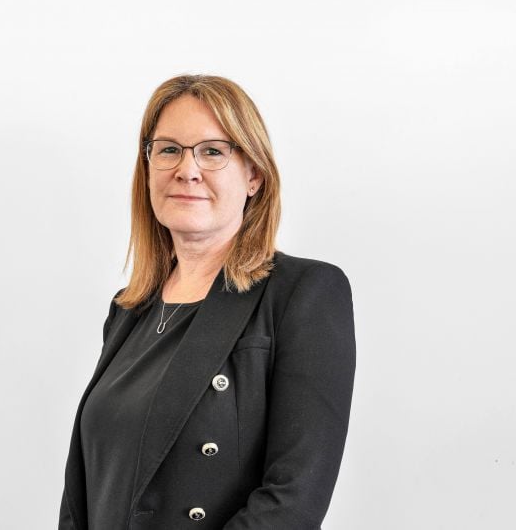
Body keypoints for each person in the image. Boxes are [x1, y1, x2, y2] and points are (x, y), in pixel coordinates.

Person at [58, 74, 356, 529]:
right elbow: (86, 494)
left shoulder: (304, 292)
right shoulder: (129, 309)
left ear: (254, 175)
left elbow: (293, 501)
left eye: (213, 151)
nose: (187, 169)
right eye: (168, 150)